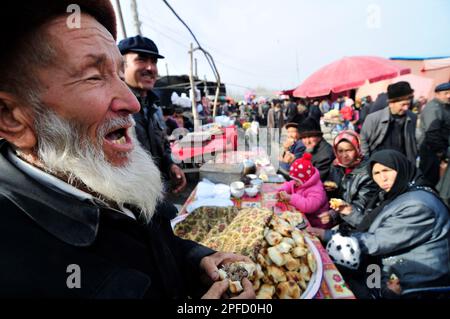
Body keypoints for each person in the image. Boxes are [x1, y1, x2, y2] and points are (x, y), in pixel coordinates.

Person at [0, 1, 254, 299]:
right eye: (93, 76)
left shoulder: (106, 171)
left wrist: (197, 259)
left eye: (120, 75)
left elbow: (155, 249)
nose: (132, 103)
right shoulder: (15, 264)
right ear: (11, 118)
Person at [309, 150, 450, 298]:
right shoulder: (398, 194)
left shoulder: (418, 205)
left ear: (401, 168)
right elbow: (377, 226)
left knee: (336, 279)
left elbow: (378, 241)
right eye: (376, 173)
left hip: (411, 283)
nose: (382, 178)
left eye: (386, 170)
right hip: (383, 266)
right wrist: (348, 213)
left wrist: (328, 236)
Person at [119, 35, 187, 193]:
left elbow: (162, 147)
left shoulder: (154, 107)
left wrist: (170, 165)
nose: (151, 68)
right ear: (121, 66)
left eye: (154, 62)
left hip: (157, 192)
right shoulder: (113, 108)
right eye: (141, 60)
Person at [320, 131, 379, 232]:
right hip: (340, 218)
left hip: (357, 225)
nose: (344, 155)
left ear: (357, 149)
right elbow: (337, 195)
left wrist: (334, 214)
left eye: (349, 150)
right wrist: (330, 190)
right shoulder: (336, 166)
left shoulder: (367, 173)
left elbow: (361, 204)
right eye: (340, 151)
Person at [360, 81, 417, 164]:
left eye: (408, 104)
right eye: (403, 104)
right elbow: (363, 140)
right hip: (378, 164)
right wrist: (367, 162)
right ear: (391, 104)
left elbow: (412, 143)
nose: (406, 108)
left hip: (401, 164)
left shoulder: (412, 117)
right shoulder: (373, 118)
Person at [277, 153, 331, 228]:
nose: (294, 182)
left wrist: (291, 198)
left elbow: (308, 206)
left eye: (297, 180)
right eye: (293, 179)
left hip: (315, 223)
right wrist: (282, 190)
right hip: (303, 217)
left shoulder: (316, 190)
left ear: (305, 180)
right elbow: (290, 184)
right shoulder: (299, 182)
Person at [418, 82, 450, 186]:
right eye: (446, 93)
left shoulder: (443, 106)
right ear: (437, 94)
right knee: (430, 180)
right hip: (431, 151)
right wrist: (441, 152)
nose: (449, 96)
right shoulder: (434, 108)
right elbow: (432, 133)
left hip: (437, 150)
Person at [297, 117, 335, 181]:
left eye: (310, 136)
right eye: (304, 138)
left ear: (319, 136)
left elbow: (313, 179)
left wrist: (293, 162)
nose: (307, 141)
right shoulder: (311, 148)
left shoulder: (325, 155)